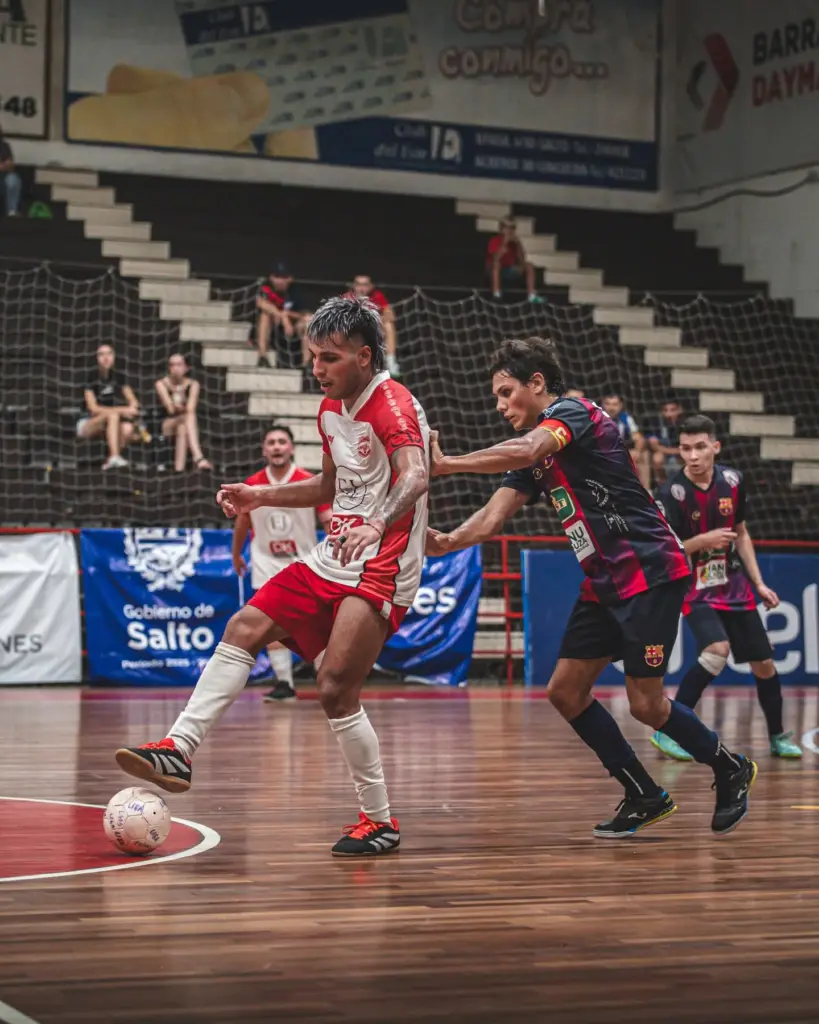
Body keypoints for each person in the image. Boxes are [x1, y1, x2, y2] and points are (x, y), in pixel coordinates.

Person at [114, 296, 431, 857]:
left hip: (384, 561)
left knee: (335, 688)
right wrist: (257, 495)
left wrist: (377, 523)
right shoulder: (332, 408)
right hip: (333, 556)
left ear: (363, 356)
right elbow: (328, 488)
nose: (317, 369)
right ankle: (179, 748)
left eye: (328, 358)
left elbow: (416, 476)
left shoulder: (394, 404)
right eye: (312, 357)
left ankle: (379, 820)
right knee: (243, 625)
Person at [426, 336, 756, 838]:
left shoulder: (573, 413)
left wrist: (447, 464)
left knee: (646, 705)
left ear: (536, 383)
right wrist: (446, 541)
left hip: (650, 573)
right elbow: (492, 518)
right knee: (565, 691)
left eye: (504, 391)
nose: (499, 405)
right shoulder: (531, 457)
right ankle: (643, 793)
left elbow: (534, 444)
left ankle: (730, 767)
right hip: (604, 581)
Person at [652, 415, 802, 761]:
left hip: (734, 585)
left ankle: (778, 737)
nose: (693, 455)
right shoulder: (669, 493)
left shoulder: (733, 482)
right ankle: (667, 731)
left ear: (715, 447)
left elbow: (742, 533)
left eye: (700, 447)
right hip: (695, 586)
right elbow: (665, 551)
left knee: (764, 664)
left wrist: (759, 583)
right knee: (716, 650)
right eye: (686, 448)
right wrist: (702, 540)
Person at [232, 425, 332, 701]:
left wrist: (339, 541)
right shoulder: (252, 484)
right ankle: (284, 684)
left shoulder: (309, 480)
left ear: (291, 448)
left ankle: (328, 683)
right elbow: (242, 522)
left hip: (305, 563)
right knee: (269, 622)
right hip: (265, 561)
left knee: (317, 625)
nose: (276, 446)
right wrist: (236, 554)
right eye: (271, 442)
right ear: (264, 450)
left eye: (281, 442)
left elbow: (329, 519)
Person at [77, 344, 139, 470]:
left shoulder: (119, 378)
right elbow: (93, 409)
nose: (106, 357)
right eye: (101, 354)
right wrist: (122, 410)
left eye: (109, 353)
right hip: (88, 423)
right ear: (96, 358)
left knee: (127, 428)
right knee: (113, 415)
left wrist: (130, 408)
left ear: (114, 356)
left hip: (112, 423)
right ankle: (114, 457)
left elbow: (134, 403)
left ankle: (109, 462)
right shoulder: (90, 378)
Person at [154, 353, 212, 472]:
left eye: (179, 365)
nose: (175, 368)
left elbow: (191, 408)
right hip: (167, 424)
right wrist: (178, 399)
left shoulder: (193, 384)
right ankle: (198, 457)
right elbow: (170, 409)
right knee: (187, 417)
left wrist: (179, 398)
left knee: (182, 427)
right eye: (172, 365)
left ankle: (179, 470)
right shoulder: (161, 384)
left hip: (185, 423)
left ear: (186, 368)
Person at [255, 262, 311, 368]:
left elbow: (305, 314)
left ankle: (306, 365)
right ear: (271, 277)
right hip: (272, 328)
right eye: (277, 277)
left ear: (290, 278)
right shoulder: (266, 288)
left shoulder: (295, 291)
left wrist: (287, 315)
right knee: (265, 316)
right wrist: (282, 316)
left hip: (292, 328)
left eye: (284, 277)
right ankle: (262, 357)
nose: (280, 281)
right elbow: (261, 303)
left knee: (309, 321)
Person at [347, 275, 400, 378]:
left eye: (365, 285)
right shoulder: (348, 298)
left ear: (371, 286)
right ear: (354, 286)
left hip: (373, 329)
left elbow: (391, 315)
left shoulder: (377, 297)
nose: (361, 288)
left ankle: (391, 362)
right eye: (359, 285)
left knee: (388, 326)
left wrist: (382, 318)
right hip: (353, 331)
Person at [601, 391, 650, 490]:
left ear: (621, 405)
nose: (611, 408)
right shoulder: (597, 417)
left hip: (620, 451)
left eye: (615, 404)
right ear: (602, 404)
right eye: (608, 404)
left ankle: (647, 492)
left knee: (643, 455)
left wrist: (637, 451)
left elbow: (639, 437)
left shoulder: (626, 418)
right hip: (601, 452)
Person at [486, 217, 540, 302]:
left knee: (529, 265)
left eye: (512, 228)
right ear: (502, 229)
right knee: (497, 264)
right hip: (494, 270)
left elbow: (522, 260)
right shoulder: (495, 240)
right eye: (507, 227)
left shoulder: (515, 243)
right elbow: (495, 258)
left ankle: (531, 295)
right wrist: (504, 242)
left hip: (508, 269)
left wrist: (518, 244)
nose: (510, 231)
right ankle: (496, 294)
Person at [648, 397, 684, 485]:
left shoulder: (684, 425)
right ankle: (662, 485)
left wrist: (662, 448)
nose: (669, 414)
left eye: (672, 410)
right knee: (657, 458)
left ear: (679, 410)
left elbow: (684, 449)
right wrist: (670, 451)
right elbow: (653, 445)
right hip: (666, 455)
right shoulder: (656, 423)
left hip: (680, 456)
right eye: (665, 410)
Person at [0, 126, 22, 217]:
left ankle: (12, 212)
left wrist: (4, 166)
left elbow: (10, 165)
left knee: (13, 179)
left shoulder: (4, 146)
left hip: (2, 181)